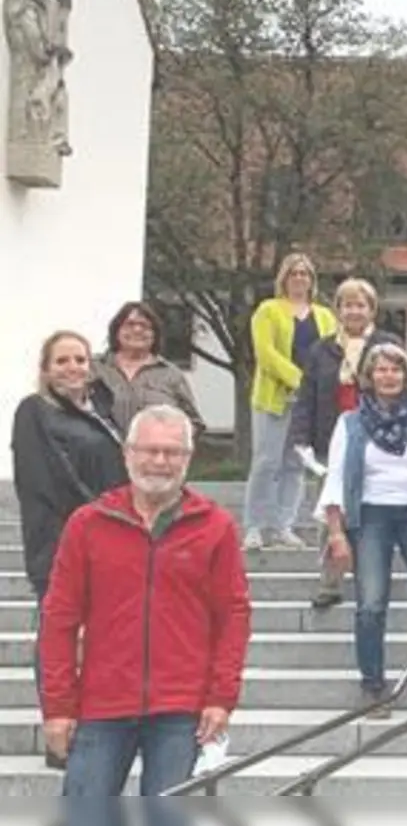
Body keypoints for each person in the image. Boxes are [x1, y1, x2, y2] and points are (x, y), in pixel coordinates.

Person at [39, 404, 251, 803]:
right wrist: (57, 706)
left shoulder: (215, 527)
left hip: (181, 708)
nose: (159, 461)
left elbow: (233, 616)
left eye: (172, 452)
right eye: (149, 450)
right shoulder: (87, 524)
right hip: (102, 703)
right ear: (127, 454)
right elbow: (59, 619)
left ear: (188, 459)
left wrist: (221, 697)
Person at [314, 344, 407, 716]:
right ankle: (373, 685)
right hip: (370, 516)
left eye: (395, 369)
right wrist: (336, 533)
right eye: (380, 369)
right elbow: (334, 480)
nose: (388, 376)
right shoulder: (349, 423)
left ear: (406, 375)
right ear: (369, 375)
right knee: (370, 604)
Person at [10, 330, 127, 770]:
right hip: (60, 544)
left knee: (98, 640)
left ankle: (92, 729)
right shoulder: (34, 412)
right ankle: (59, 736)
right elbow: (49, 480)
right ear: (45, 368)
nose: (73, 367)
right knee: (59, 639)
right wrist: (99, 517)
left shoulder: (100, 412)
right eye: (62, 360)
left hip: (108, 541)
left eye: (80, 359)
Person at [289, 277, 402, 609]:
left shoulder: (387, 344)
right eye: (348, 305)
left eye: (361, 305)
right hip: (331, 440)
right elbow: (306, 397)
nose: (354, 311)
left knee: (375, 514)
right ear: (338, 310)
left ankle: (374, 579)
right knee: (332, 513)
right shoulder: (321, 350)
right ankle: (331, 582)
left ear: (372, 310)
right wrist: (301, 439)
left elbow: (400, 389)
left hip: (375, 439)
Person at [242, 253, 337, 552]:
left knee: (295, 464)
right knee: (266, 462)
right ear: (284, 278)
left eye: (305, 274)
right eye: (294, 273)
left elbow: (330, 353)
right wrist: (299, 380)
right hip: (274, 397)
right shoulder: (268, 310)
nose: (299, 278)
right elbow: (266, 354)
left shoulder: (324, 316)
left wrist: (315, 388)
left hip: (308, 403)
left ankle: (284, 525)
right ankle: (255, 526)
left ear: (312, 280)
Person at [91, 301, 205, 437]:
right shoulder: (94, 368)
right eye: (130, 324)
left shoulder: (171, 374)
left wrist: (171, 440)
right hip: (100, 455)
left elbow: (194, 423)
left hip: (153, 455)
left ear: (155, 334)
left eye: (145, 326)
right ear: (116, 330)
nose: (137, 330)